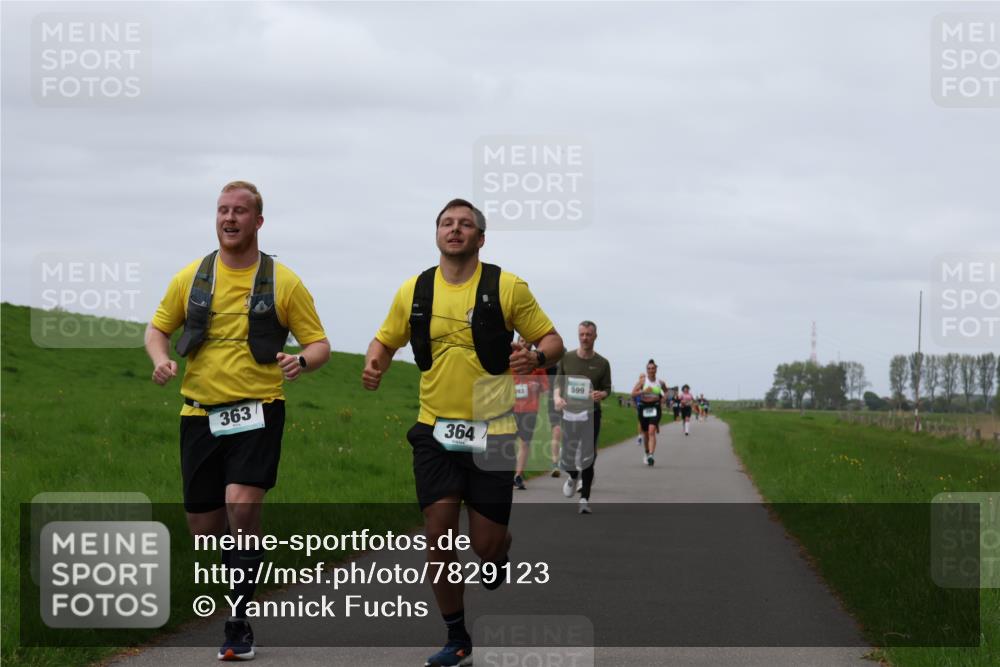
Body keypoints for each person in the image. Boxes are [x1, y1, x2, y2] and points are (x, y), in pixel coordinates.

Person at [361, 198, 563, 667]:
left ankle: (499, 550)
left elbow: (552, 341)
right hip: (435, 430)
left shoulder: (507, 287)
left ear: (480, 238)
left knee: (485, 546)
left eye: (465, 224)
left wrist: (534, 358)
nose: (455, 230)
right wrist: (375, 363)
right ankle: (457, 637)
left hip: (494, 430)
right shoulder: (414, 290)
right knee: (439, 537)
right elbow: (384, 339)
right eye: (447, 223)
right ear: (436, 234)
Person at [145, 181, 330, 661]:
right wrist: (160, 358)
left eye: (240, 211)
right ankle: (239, 567)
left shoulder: (284, 282)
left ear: (258, 221)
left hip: (258, 410)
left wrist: (301, 362)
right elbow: (157, 327)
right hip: (199, 415)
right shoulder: (191, 277)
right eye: (223, 210)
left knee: (242, 506)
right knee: (205, 530)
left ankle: (237, 619)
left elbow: (318, 343)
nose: (230, 218)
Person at [553, 321, 612, 514]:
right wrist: (557, 398)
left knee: (588, 457)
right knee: (566, 458)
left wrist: (600, 395)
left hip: (591, 414)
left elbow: (607, 389)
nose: (585, 338)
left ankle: (584, 499)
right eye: (582, 334)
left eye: (588, 334)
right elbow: (557, 384)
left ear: (595, 336)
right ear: (578, 336)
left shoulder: (602, 363)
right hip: (569, 414)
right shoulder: (567, 359)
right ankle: (572, 476)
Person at [512, 337, 549, 489]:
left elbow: (546, 388)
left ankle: (518, 475)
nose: (524, 343)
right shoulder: (509, 358)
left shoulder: (536, 363)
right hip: (510, 407)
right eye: (521, 339)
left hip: (530, 409)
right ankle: (509, 473)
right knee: (506, 441)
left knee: (525, 442)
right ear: (517, 341)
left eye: (527, 340)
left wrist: (537, 387)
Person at [631, 359, 668, 466]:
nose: (651, 370)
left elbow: (666, 392)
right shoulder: (642, 381)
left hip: (655, 407)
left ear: (656, 369)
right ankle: (647, 453)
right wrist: (643, 391)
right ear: (647, 370)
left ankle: (651, 455)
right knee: (646, 434)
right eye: (649, 368)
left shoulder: (660, 382)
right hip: (644, 407)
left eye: (653, 368)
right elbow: (633, 393)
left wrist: (663, 399)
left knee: (652, 431)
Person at [546, 364, 562, 477]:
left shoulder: (568, 360)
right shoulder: (549, 362)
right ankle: (555, 464)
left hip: (568, 399)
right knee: (556, 431)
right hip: (553, 400)